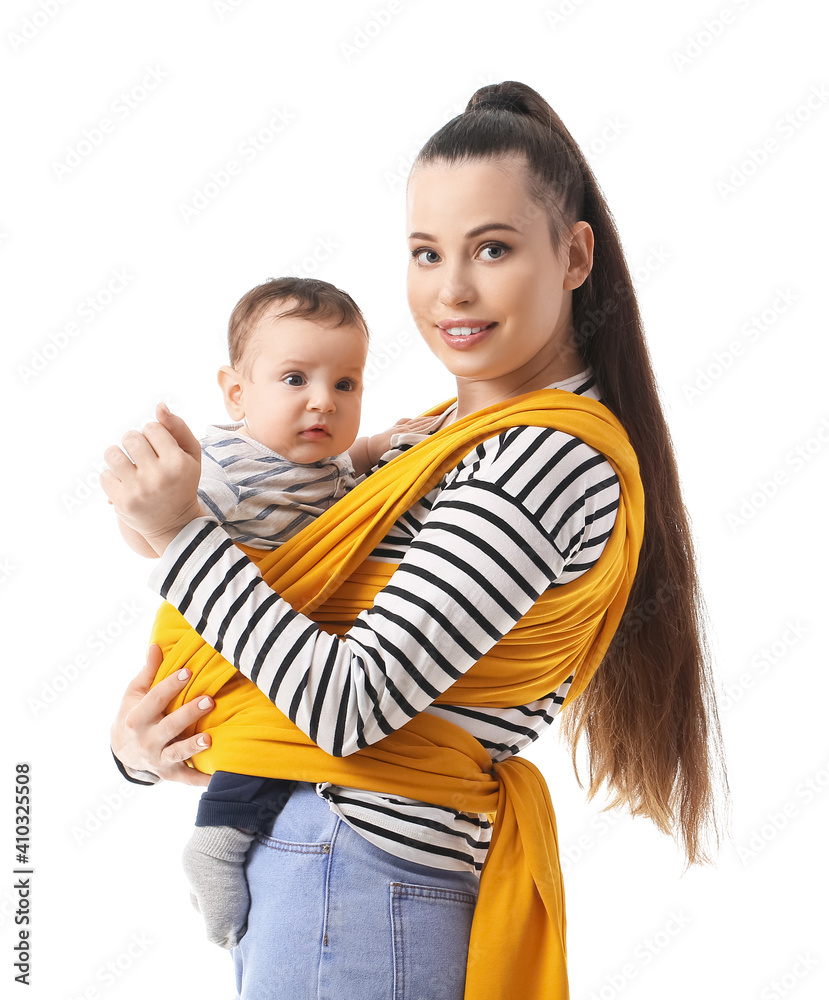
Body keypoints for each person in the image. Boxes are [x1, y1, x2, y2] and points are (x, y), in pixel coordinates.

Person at [103, 80, 727, 1000]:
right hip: (322, 860)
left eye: (493, 249)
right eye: (426, 253)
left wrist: (180, 537)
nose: (452, 291)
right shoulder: (431, 437)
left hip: (358, 867)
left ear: (574, 254)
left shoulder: (537, 460)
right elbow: (278, 621)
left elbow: (350, 703)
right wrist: (143, 745)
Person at [113, 273, 439, 949]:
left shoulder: (323, 460)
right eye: (295, 379)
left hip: (274, 624)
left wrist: (388, 443)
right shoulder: (228, 463)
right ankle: (219, 838)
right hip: (213, 632)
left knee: (297, 715)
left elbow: (351, 457)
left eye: (345, 384)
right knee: (277, 727)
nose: (323, 401)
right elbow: (161, 532)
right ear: (237, 393)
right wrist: (151, 519)